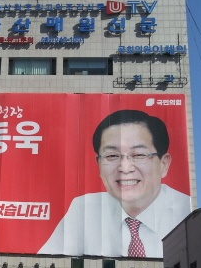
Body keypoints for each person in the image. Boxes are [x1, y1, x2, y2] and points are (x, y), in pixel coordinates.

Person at [38, 109, 190, 257]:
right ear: (98, 164)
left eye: (138, 154)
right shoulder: (84, 208)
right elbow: (49, 264)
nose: (124, 168)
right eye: (111, 155)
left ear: (164, 164)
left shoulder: (184, 212)